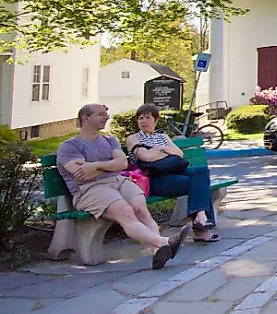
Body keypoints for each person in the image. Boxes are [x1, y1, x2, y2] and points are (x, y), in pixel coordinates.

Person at [57, 104, 187, 269]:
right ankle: (165, 242)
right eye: (101, 115)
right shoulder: (69, 147)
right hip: (89, 190)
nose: (107, 118)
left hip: (117, 181)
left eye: (106, 114)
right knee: (126, 213)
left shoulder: (110, 140)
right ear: (85, 118)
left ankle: (157, 251)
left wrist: (95, 165)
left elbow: (122, 163)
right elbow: (82, 174)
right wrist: (110, 165)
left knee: (141, 209)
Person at [126, 104, 220, 242]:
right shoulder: (133, 138)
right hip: (152, 179)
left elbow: (179, 154)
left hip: (173, 171)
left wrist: (159, 150)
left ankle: (200, 216)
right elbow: (145, 157)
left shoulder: (163, 137)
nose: (143, 121)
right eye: (140, 118)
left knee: (201, 171)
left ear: (155, 120)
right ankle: (201, 227)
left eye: (147, 117)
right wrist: (166, 152)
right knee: (197, 184)